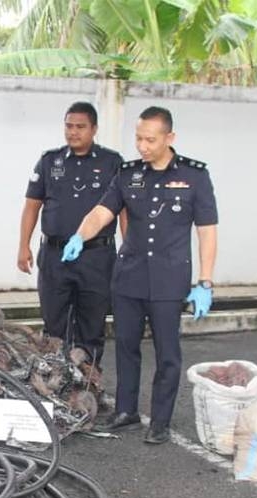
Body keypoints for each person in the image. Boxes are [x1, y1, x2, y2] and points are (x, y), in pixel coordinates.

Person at [62, 106, 218, 444]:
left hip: (168, 279)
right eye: (138, 139)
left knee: (166, 353)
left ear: (169, 138)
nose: (142, 146)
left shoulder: (195, 177)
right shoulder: (129, 174)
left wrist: (205, 281)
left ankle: (160, 420)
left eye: (150, 140)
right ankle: (126, 410)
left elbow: (207, 231)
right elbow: (102, 211)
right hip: (129, 276)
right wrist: (80, 235)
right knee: (126, 346)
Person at [17, 102, 124, 366]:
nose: (73, 132)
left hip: (96, 257)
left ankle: (90, 384)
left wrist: (128, 252)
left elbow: (124, 212)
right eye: (69, 126)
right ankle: (56, 386)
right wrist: (23, 246)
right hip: (54, 256)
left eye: (80, 127)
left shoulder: (112, 162)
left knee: (92, 325)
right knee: (54, 325)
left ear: (94, 129)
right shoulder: (49, 161)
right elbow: (32, 206)